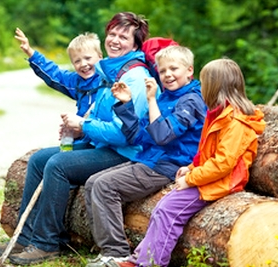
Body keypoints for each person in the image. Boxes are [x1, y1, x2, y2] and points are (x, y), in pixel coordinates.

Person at [0, 11, 153, 265]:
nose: (115, 40)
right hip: (103, 144)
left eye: (123, 36)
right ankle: (25, 236)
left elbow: (123, 134)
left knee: (58, 165)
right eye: (112, 34)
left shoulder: (135, 77)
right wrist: (79, 129)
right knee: (40, 159)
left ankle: (46, 243)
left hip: (127, 153)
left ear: (135, 44)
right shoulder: (110, 70)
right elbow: (90, 106)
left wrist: (84, 125)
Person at [116, 58, 266, 267]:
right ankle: (140, 259)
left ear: (215, 87)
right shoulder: (219, 114)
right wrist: (191, 168)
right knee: (162, 207)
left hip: (224, 181)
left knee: (168, 210)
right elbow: (208, 154)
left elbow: (223, 164)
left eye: (205, 83)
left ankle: (151, 263)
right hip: (209, 176)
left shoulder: (236, 123)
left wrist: (191, 179)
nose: (201, 88)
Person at [84, 45, 207, 267]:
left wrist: (151, 100)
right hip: (149, 158)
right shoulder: (166, 98)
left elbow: (163, 136)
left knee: (104, 186)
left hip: (169, 165)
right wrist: (126, 104)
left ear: (190, 70)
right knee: (93, 182)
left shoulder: (191, 100)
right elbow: (137, 136)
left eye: (173, 69)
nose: (167, 75)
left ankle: (116, 253)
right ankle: (105, 248)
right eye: (162, 71)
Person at [15, 27, 103, 118]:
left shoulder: (109, 79)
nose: (83, 64)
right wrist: (30, 52)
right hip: (84, 129)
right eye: (77, 61)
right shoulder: (75, 81)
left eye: (88, 58)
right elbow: (55, 74)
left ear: (100, 57)